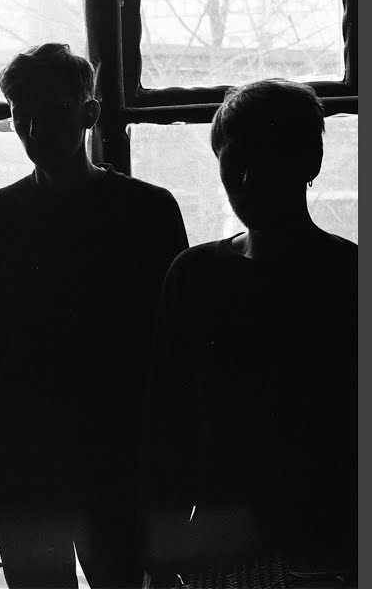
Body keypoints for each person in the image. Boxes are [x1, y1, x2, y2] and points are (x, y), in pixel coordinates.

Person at [0, 44, 189, 589]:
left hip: (58, 466)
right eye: (22, 115)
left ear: (88, 114)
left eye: (51, 112)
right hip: (104, 462)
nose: (34, 130)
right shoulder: (146, 209)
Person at [142, 80, 357, 584]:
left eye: (265, 158)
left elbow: (171, 425)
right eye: (235, 159)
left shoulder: (198, 274)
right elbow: (168, 422)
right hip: (302, 545)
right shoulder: (346, 272)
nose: (245, 177)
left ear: (308, 162)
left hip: (291, 547)